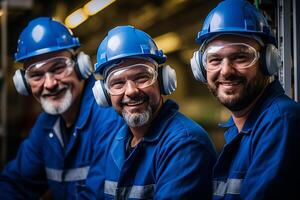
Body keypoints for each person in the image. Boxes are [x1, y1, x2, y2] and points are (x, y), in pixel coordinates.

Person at [88, 25, 217, 199]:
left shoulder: (185, 144)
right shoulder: (117, 142)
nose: (131, 91)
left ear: (163, 80)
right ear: (104, 94)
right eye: (117, 83)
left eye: (142, 77)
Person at [0, 17, 123, 199]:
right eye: (36, 75)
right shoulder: (45, 125)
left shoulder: (109, 118)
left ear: (81, 66)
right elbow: (14, 183)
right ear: (24, 84)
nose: (49, 84)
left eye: (58, 68)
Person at [190, 0, 300, 199]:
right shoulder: (239, 129)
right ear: (201, 68)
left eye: (241, 57)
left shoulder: (281, 122)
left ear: (268, 61)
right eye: (214, 60)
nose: (226, 71)